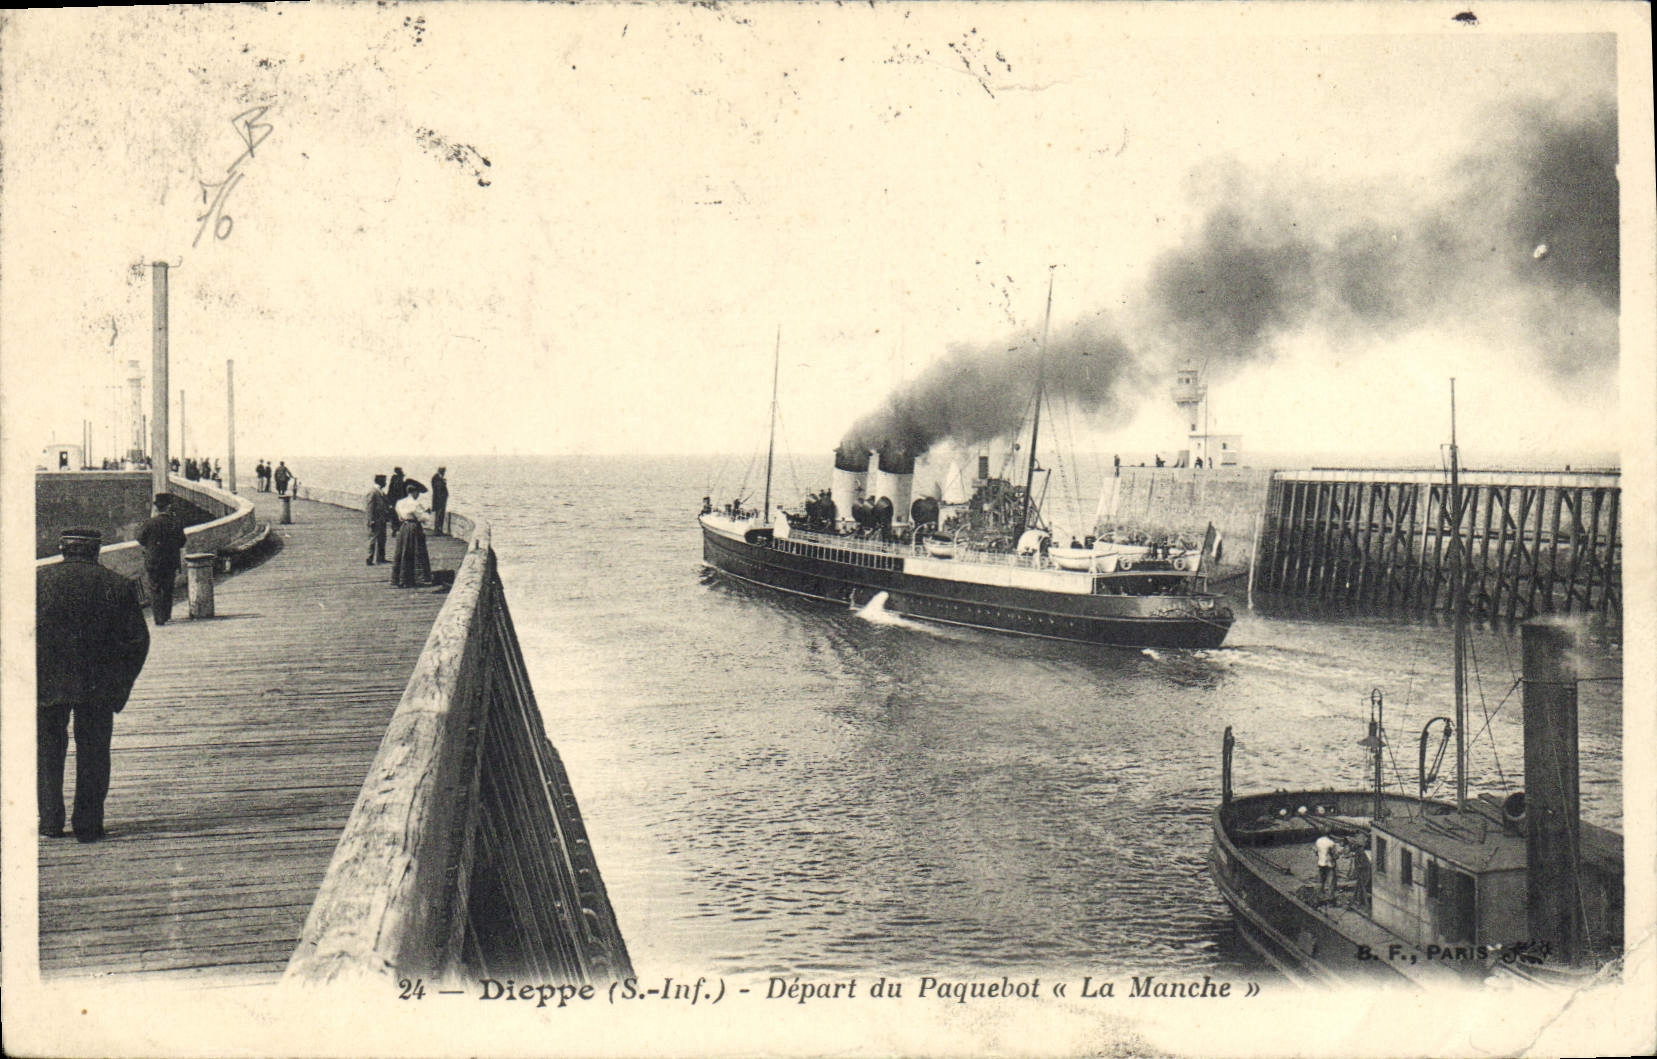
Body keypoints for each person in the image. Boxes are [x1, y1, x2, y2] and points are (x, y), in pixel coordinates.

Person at [37, 527, 151, 841]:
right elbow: (137, 642)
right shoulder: (117, 585)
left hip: (45, 683)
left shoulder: (35, 582)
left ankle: (49, 821)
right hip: (98, 685)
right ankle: (87, 824)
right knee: (94, 750)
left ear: (63, 549)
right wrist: (120, 685)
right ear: (96, 551)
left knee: (47, 750)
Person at [137, 493, 187, 625]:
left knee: (155, 588)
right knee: (168, 587)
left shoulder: (149, 523)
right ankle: (166, 615)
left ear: (157, 508)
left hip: (153, 561)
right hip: (170, 561)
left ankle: (158, 618)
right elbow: (182, 542)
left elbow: (140, 539)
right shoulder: (175, 523)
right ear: (169, 507)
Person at [391, 481, 433, 588]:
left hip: (404, 527)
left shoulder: (399, 502)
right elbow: (423, 518)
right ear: (414, 492)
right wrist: (427, 512)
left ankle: (400, 578)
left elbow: (400, 516)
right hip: (414, 528)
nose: (418, 495)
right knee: (417, 551)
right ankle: (416, 578)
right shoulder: (415, 504)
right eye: (418, 492)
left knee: (403, 552)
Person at [365, 474, 392, 565]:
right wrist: (371, 520)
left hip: (382, 519)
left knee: (382, 539)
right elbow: (370, 507)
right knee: (373, 539)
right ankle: (369, 558)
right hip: (375, 520)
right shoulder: (373, 492)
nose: (386, 483)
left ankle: (381, 557)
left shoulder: (381, 491)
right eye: (384, 481)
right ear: (380, 481)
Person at [1315, 832, 1339, 902]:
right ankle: (1330, 898)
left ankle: (1320, 896)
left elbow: (1317, 852)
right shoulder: (1331, 843)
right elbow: (1335, 855)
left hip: (1321, 863)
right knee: (1331, 882)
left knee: (1321, 881)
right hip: (1329, 864)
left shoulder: (1318, 841)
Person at [429, 466, 449, 536]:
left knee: (440, 514)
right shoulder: (436, 478)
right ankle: (437, 530)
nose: (444, 473)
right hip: (439, 499)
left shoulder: (437, 478)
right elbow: (438, 487)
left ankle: (438, 530)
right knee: (439, 514)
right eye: (443, 471)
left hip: (440, 499)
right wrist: (443, 482)